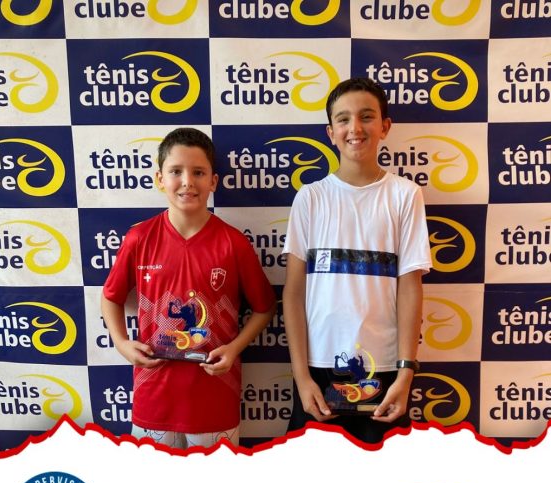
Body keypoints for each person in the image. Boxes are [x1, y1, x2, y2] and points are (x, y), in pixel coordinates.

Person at [101, 127, 276, 449]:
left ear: (213, 181)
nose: (187, 182)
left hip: (215, 398)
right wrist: (121, 343)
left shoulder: (233, 243)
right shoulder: (139, 239)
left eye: (198, 172)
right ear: (159, 179)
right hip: (153, 396)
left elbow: (265, 308)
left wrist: (234, 348)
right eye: (176, 171)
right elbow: (110, 297)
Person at [282, 77, 432, 444]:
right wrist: (302, 378)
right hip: (319, 369)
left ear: (385, 126)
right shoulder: (310, 198)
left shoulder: (405, 195)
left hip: (385, 369)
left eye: (366, 117)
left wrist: (405, 372)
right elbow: (294, 293)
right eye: (344, 119)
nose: (355, 128)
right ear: (331, 132)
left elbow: (410, 287)